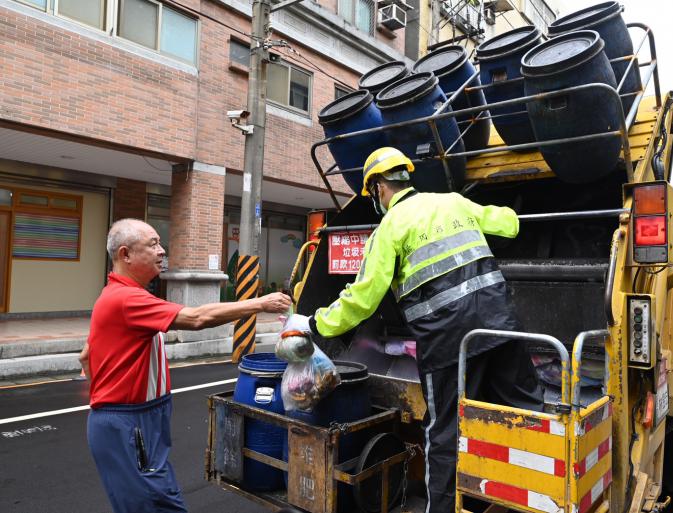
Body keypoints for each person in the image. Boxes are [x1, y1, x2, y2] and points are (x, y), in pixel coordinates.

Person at [286, 147, 544, 513]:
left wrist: (315, 323)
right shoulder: (453, 202)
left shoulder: (390, 228)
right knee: (527, 414)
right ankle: (540, 498)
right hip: (501, 327)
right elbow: (509, 225)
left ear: (378, 188)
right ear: (406, 176)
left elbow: (362, 299)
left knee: (444, 434)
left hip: (448, 344)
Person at [79, 218, 292, 513]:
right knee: (158, 504)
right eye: (153, 244)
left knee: (154, 501)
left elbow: (86, 356)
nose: (162, 250)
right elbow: (197, 317)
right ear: (125, 254)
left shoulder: (120, 295)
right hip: (130, 422)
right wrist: (260, 303)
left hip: (137, 420)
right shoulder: (126, 299)